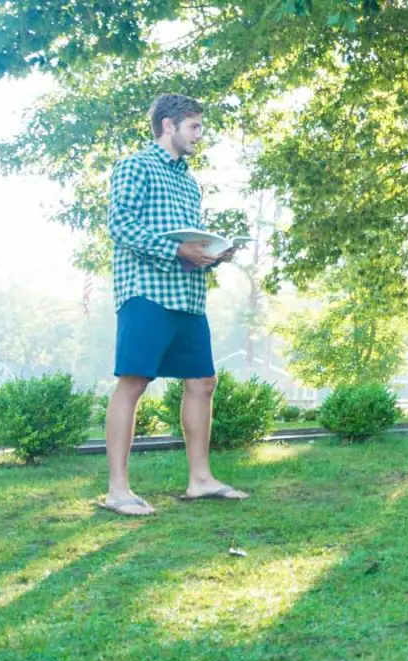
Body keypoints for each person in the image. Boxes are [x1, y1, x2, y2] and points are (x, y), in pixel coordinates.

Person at [98, 93, 246, 517]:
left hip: (187, 295)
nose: (199, 135)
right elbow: (122, 225)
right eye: (194, 127)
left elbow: (186, 238)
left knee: (202, 382)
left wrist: (210, 253)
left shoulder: (188, 181)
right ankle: (117, 491)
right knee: (133, 382)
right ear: (169, 125)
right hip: (145, 290)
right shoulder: (135, 166)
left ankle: (200, 480)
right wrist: (179, 253)